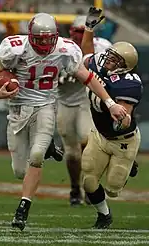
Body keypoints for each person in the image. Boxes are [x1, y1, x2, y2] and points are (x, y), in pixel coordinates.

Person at [0, 12, 126, 231]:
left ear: (55, 36)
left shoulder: (65, 50)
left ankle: (23, 207)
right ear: (30, 35)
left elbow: (87, 77)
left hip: (46, 106)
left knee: (37, 156)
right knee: (19, 171)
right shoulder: (16, 48)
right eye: (39, 39)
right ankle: (50, 147)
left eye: (48, 39)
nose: (43, 43)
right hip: (18, 110)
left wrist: (110, 103)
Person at [81, 12, 142, 229]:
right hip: (99, 134)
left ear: (125, 66)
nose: (108, 60)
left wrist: (119, 117)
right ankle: (104, 215)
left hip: (122, 139)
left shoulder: (129, 83)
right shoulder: (100, 62)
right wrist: (89, 28)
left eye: (116, 59)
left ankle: (129, 164)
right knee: (88, 180)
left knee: (113, 188)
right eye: (110, 55)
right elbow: (86, 54)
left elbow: (124, 118)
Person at [57, 8, 112, 206]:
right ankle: (74, 188)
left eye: (82, 31)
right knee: (71, 153)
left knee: (88, 143)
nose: (77, 34)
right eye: (75, 30)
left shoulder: (103, 47)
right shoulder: (60, 47)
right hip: (64, 102)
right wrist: (58, 79)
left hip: (87, 102)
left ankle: (90, 187)